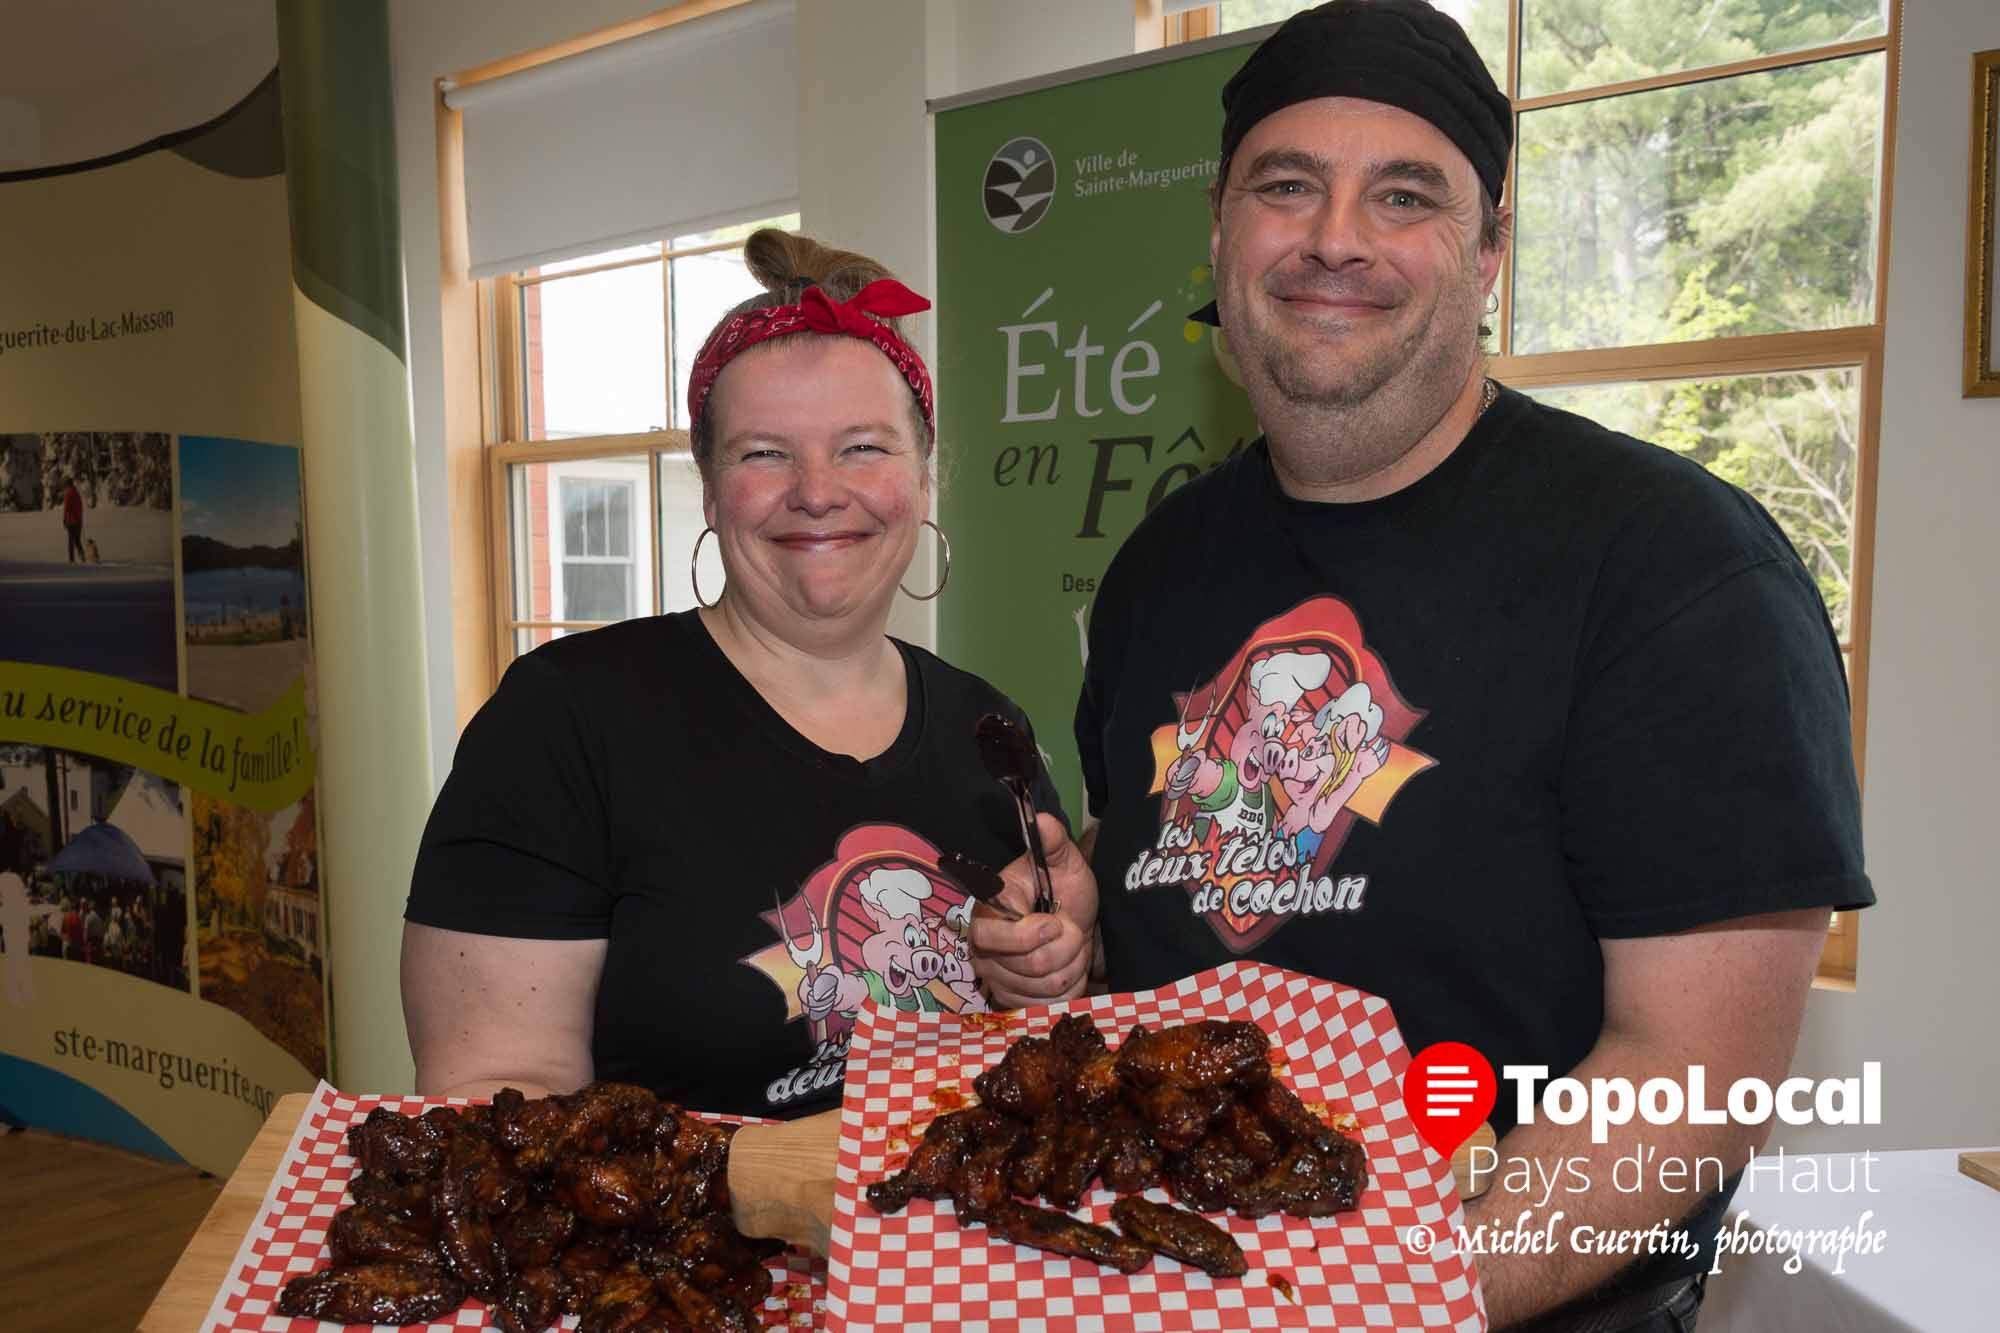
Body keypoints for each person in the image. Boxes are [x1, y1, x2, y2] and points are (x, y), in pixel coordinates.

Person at [971, 4, 1872, 1330]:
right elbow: (1147, 858)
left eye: (1405, 195)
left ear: (1492, 250)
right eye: (1289, 187)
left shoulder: (1670, 566)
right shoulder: (1160, 566)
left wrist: (1367, 1304)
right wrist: (1067, 927)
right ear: (1220, 230)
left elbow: (1697, 1072)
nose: (1336, 236)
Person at [402, 231, 1065, 1119]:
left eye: (864, 447)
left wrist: (1052, 968)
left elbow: (1033, 1067)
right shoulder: (564, 724)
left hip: (949, 1257)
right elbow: (492, 1105)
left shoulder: (989, 731)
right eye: (764, 453)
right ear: (711, 489)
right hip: (678, 1257)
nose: (818, 490)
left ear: (925, 476)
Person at [60, 476, 84, 563]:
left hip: (72, 521)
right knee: (77, 540)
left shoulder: (68, 494)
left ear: (67, 485)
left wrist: (64, 519)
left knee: (71, 541)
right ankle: (82, 556)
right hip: (78, 520)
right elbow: (80, 507)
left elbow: (66, 508)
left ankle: (71, 559)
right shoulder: (76, 493)